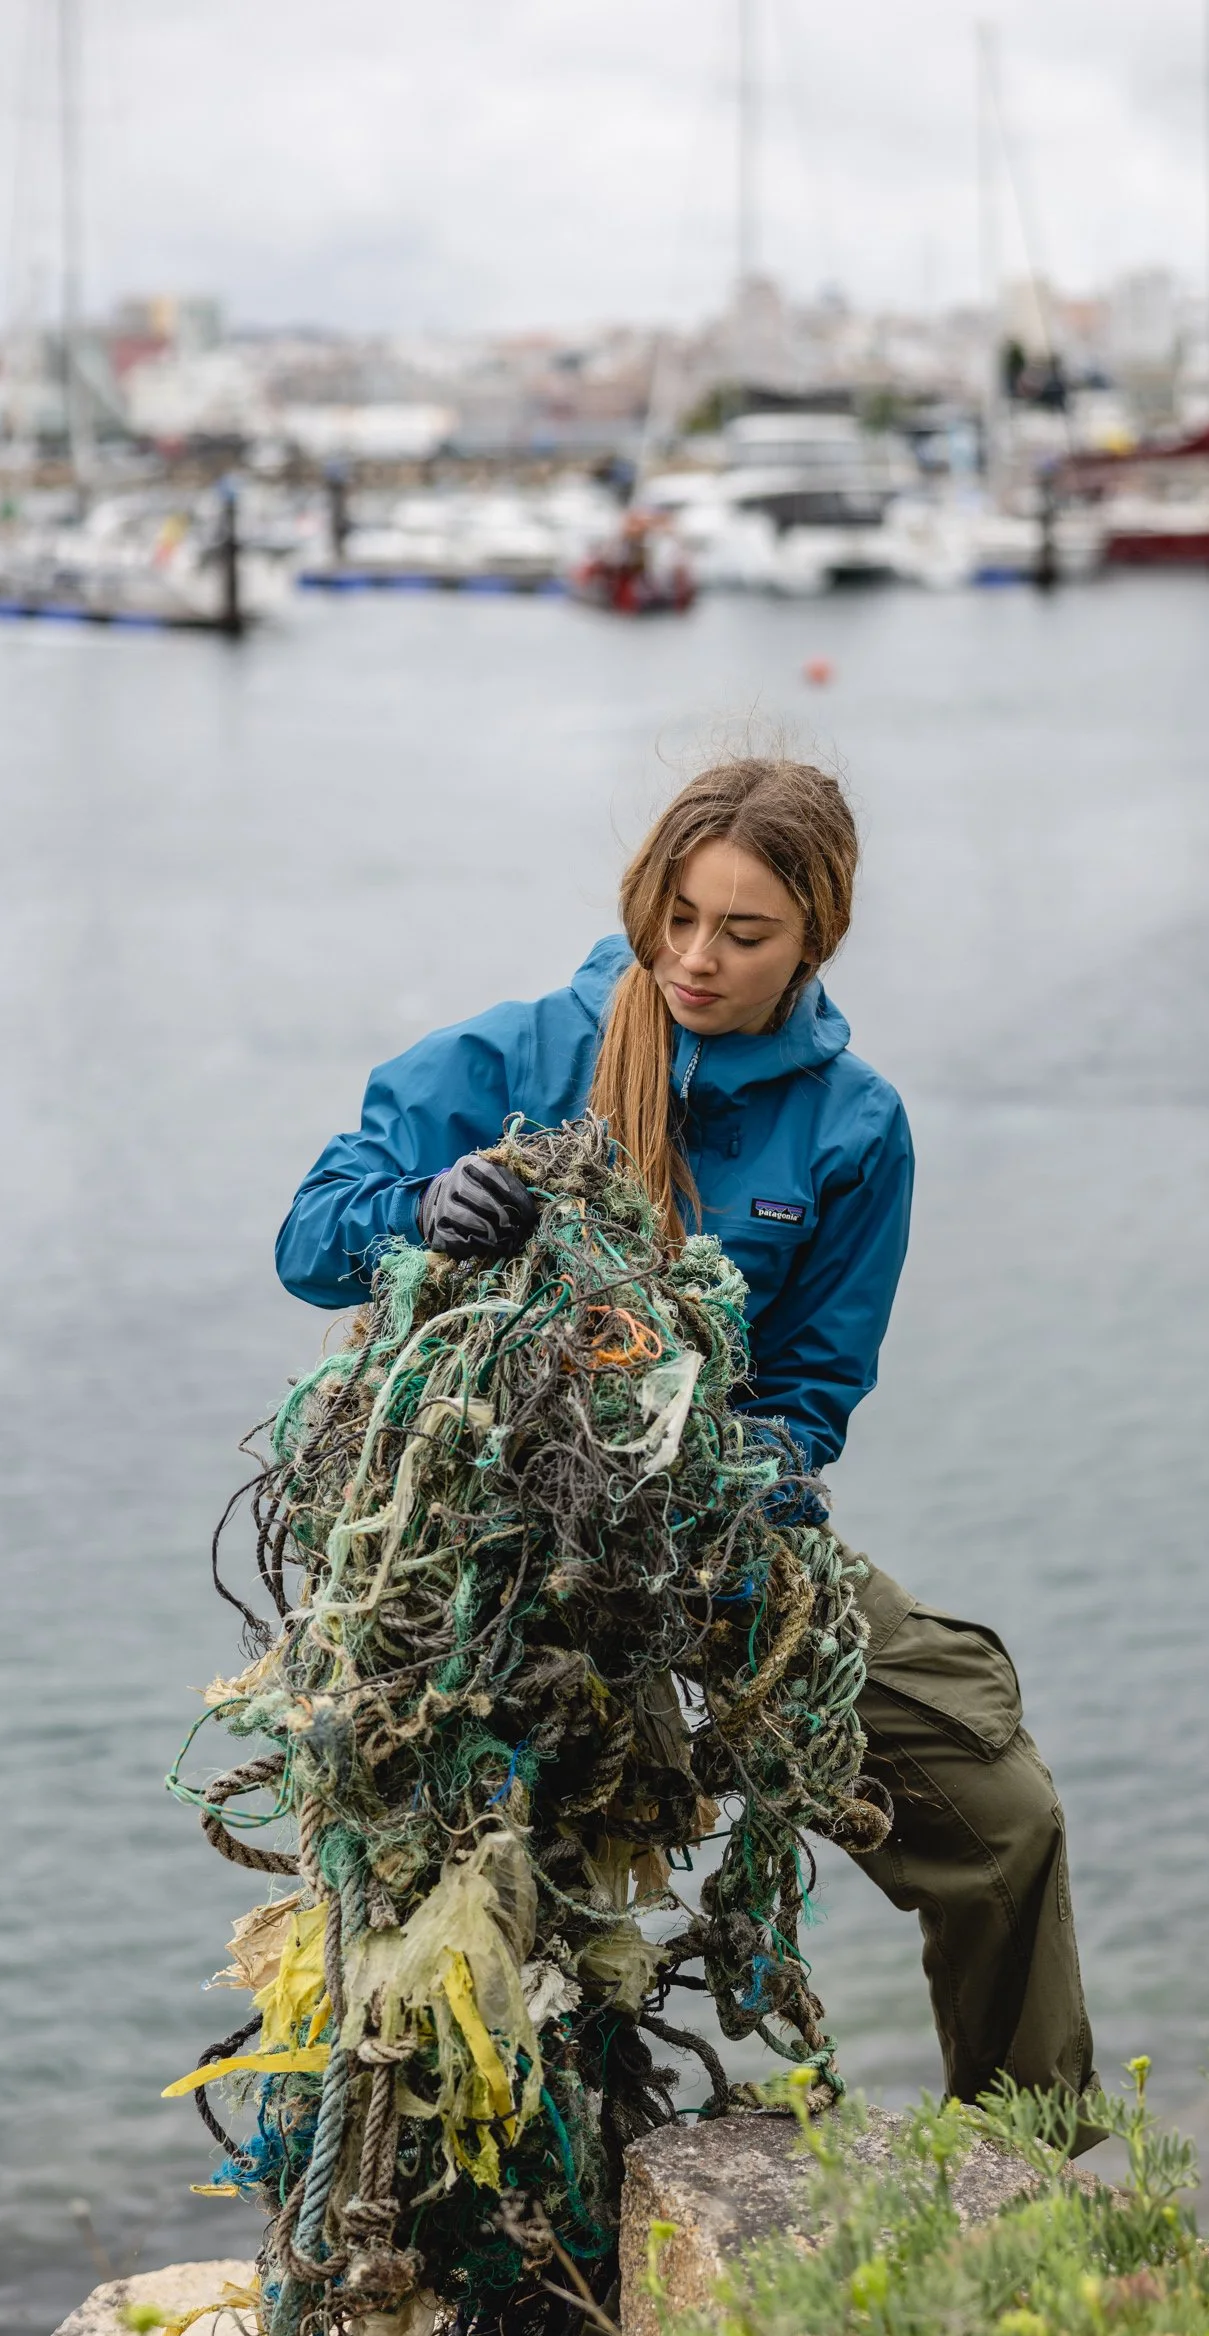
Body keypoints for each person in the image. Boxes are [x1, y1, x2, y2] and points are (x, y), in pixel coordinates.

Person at [276, 757, 1094, 2119]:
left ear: (814, 937)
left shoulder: (854, 1127)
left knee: (995, 1809)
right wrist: (422, 1207)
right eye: (676, 916)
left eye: (743, 932)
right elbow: (309, 1238)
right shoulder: (526, 1051)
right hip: (485, 1560)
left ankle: (1033, 2163)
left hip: (713, 1547)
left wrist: (703, 1510)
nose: (695, 958)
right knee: (470, 1893)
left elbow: (812, 1395)